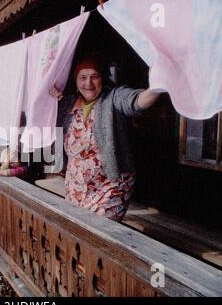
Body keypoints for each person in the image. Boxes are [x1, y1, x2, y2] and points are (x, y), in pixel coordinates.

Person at [50, 52, 162, 222]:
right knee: (76, 231)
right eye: (83, 77)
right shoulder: (67, 104)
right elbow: (41, 111)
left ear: (102, 78)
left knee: (97, 230)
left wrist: (156, 86)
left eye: (94, 77)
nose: (88, 83)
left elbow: (136, 103)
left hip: (111, 186)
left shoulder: (113, 98)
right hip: (76, 186)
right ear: (76, 80)